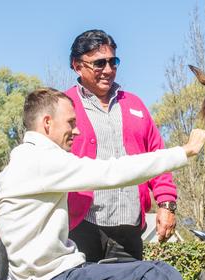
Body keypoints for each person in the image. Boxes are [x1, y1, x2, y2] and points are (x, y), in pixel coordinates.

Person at [0, 88, 205, 280]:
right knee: (152, 279)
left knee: (169, 276)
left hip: (52, 274)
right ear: (47, 123)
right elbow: (112, 171)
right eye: (70, 122)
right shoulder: (41, 160)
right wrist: (185, 151)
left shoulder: (19, 164)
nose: (77, 131)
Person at [66, 29, 177, 262]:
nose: (108, 70)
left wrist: (167, 204)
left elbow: (158, 158)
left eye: (113, 62)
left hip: (129, 226)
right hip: (81, 225)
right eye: (99, 63)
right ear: (77, 66)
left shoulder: (135, 104)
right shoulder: (63, 106)